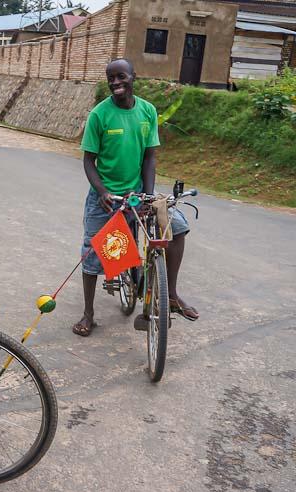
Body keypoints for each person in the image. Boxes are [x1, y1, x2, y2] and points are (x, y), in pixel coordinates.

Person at [73, 58, 199, 337]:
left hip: (138, 194)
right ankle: (88, 314)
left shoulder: (147, 111)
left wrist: (148, 194)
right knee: (93, 256)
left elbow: (150, 157)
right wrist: (103, 191)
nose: (116, 83)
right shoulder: (99, 115)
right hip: (105, 197)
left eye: (121, 77)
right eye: (111, 79)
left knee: (177, 227)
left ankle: (172, 295)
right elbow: (88, 161)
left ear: (133, 77)